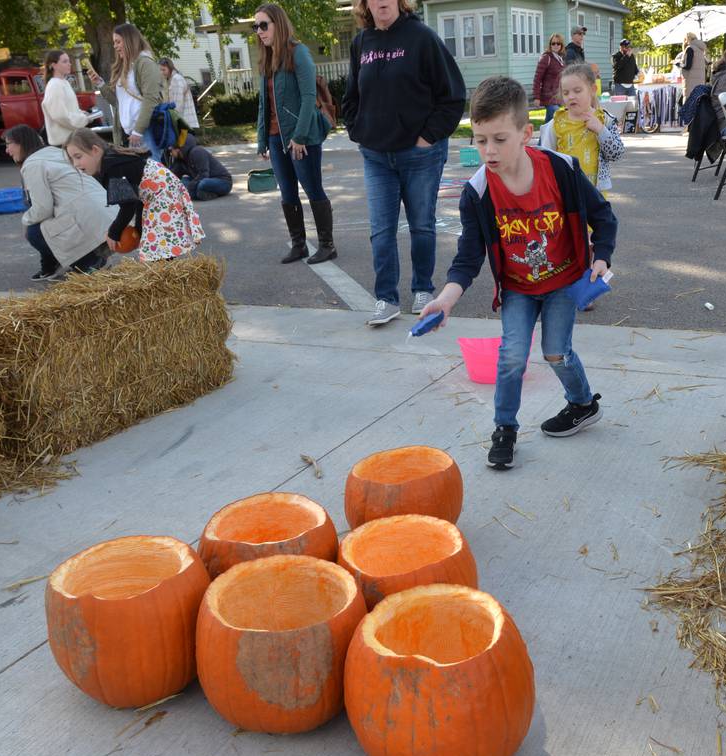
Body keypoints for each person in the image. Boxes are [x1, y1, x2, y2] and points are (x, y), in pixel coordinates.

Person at [418, 76, 617, 470]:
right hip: (518, 289)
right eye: (479, 139)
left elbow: (603, 216)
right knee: (510, 358)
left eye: (499, 139)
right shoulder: (478, 191)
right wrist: (445, 299)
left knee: (556, 352)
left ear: (526, 133)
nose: (488, 150)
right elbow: (468, 256)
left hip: (563, 282)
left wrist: (603, 256)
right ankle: (504, 429)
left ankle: (581, 404)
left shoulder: (561, 170)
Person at [342, 0, 466, 326]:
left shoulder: (422, 37)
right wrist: (359, 130)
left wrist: (428, 137)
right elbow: (351, 96)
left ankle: (423, 289)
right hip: (376, 156)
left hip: (420, 155)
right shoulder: (362, 43)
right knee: (381, 231)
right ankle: (386, 298)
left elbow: (452, 95)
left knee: (422, 225)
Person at [255, 3, 336, 266]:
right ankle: (299, 245)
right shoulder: (266, 59)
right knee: (287, 194)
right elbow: (263, 104)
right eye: (255, 26)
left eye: (263, 25)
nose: (259, 31)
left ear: (278, 24)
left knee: (313, 189)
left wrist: (299, 137)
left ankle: (327, 245)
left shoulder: (297, 53)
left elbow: (308, 96)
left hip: (301, 137)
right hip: (275, 138)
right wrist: (261, 139)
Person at [64, 128, 205, 261]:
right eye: (72, 159)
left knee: (158, 247)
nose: (75, 164)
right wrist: (139, 228)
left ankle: (164, 273)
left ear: (95, 150)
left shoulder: (111, 167)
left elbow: (128, 205)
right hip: (160, 191)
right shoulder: (111, 159)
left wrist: (114, 231)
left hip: (163, 194)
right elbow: (136, 198)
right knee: (153, 242)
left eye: (78, 156)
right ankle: (163, 269)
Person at [4, 125, 115, 281]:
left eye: (8, 144)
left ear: (21, 142)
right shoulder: (55, 152)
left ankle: (90, 263)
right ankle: (51, 266)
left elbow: (43, 208)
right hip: (108, 213)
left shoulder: (33, 165)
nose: (7, 151)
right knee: (40, 222)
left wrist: (25, 220)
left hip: (89, 220)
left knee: (34, 231)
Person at [539, 63, 625, 194]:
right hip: (565, 193)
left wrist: (601, 130)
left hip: (596, 195)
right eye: (566, 93)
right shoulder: (556, 123)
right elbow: (544, 161)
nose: (571, 96)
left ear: (592, 90)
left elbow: (616, 154)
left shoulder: (605, 120)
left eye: (577, 91)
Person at [85, 23, 165, 161]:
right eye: (114, 42)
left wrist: (138, 131)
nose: (115, 46)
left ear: (129, 40)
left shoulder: (145, 63)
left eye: (118, 41)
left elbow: (150, 99)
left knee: (153, 176)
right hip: (132, 133)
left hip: (146, 130)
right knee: (142, 177)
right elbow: (118, 103)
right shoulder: (124, 67)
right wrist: (100, 84)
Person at [41, 50, 93, 146]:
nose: (69, 64)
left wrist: (81, 113)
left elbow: (67, 110)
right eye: (65, 61)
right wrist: (84, 119)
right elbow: (60, 116)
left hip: (71, 140)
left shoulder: (64, 82)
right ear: (53, 65)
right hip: (63, 143)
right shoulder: (54, 85)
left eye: (69, 61)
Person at [168, 132, 232, 200]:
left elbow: (203, 174)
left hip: (223, 181)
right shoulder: (180, 160)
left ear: (178, 149)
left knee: (203, 184)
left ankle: (199, 194)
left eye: (171, 150)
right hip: (200, 181)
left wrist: (188, 188)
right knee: (182, 182)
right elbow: (173, 177)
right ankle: (199, 194)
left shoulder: (197, 152)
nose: (170, 153)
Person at [532, 34, 566, 122]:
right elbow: (537, 79)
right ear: (550, 45)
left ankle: (543, 135)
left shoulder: (560, 59)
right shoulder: (546, 58)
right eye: (553, 43)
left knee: (551, 125)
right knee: (553, 122)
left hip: (558, 98)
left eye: (558, 43)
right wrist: (536, 97)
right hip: (549, 97)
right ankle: (544, 135)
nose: (555, 46)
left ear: (561, 45)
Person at [158, 58, 199, 130]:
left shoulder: (176, 79)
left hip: (184, 121)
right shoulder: (172, 78)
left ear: (170, 68)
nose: (161, 72)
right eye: (160, 70)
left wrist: (173, 121)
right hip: (183, 121)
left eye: (164, 70)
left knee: (184, 141)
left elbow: (178, 104)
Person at [680, 33, 707, 102]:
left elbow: (688, 66)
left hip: (691, 81)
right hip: (699, 81)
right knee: (697, 102)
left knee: (689, 104)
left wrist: (678, 64)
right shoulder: (700, 50)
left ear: (687, 39)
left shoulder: (690, 49)